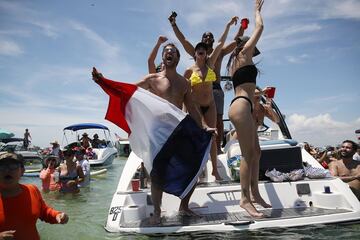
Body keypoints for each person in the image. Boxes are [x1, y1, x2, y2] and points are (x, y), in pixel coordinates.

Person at [92, 43, 215, 224]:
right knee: (157, 173)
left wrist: (204, 127)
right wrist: (103, 81)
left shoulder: (184, 83)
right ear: (163, 58)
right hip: (157, 134)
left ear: (178, 58)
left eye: (173, 52)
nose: (169, 54)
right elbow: (126, 92)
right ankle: (157, 212)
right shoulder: (152, 79)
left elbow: (192, 109)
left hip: (178, 131)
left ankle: (184, 206)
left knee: (195, 166)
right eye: (166, 52)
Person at [169, 12, 247, 154]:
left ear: (213, 39)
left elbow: (236, 41)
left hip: (215, 89)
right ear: (201, 40)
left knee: (218, 121)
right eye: (205, 36)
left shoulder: (220, 52)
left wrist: (241, 28)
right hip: (196, 92)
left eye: (210, 36)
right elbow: (183, 40)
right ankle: (197, 149)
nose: (208, 38)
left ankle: (217, 149)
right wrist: (174, 24)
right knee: (195, 122)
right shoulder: (196, 52)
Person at [226, 0, 270, 218]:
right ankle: (244, 199)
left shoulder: (237, 62)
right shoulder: (243, 53)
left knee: (257, 152)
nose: (255, 51)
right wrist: (256, 12)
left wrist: (260, 95)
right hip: (242, 107)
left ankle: (255, 192)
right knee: (247, 154)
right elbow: (260, 28)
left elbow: (246, 87)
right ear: (245, 46)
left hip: (243, 105)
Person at [183, 17, 238, 180]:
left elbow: (221, 42)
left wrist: (228, 25)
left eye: (203, 49)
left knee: (213, 136)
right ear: (195, 53)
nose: (201, 50)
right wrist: (184, 109)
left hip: (210, 105)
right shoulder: (188, 70)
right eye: (198, 48)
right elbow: (183, 91)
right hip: (196, 107)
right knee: (197, 137)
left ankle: (214, 169)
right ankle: (198, 169)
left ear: (206, 53)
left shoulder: (211, 64)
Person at [0, 152, 68, 240]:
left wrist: (57, 215)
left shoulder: (32, 190)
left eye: (13, 166)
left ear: (22, 171)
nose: (7, 170)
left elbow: (44, 211)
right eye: (2, 166)